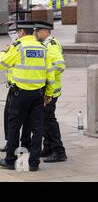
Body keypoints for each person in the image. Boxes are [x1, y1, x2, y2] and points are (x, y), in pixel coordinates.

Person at [0, 21, 56, 172]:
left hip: (20, 94)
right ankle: (34, 162)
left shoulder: (18, 46)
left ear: (22, 32)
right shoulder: (43, 48)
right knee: (37, 128)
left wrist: (4, 52)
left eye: (18, 32)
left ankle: (10, 160)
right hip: (38, 94)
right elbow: (50, 72)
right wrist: (49, 93)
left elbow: (2, 64)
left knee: (14, 126)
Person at [35, 21, 68, 163]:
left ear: (46, 32)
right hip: (50, 89)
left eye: (38, 31)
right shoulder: (46, 44)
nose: (36, 34)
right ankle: (48, 146)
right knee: (44, 119)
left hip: (51, 90)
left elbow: (60, 65)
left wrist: (47, 77)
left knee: (49, 120)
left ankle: (58, 151)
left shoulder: (51, 45)